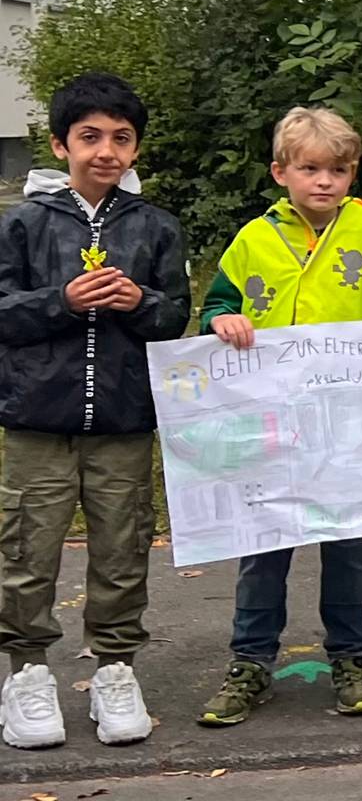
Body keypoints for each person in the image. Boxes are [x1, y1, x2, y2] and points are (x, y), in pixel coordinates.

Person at [193, 107, 362, 727]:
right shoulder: (253, 239)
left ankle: (351, 658)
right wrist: (220, 321)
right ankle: (250, 661)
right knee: (264, 548)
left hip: (347, 424)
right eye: (310, 169)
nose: (325, 181)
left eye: (338, 169)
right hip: (271, 424)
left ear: (352, 172)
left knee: (348, 545)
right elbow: (217, 306)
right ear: (282, 172)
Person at [0, 73, 190, 750]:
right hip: (36, 422)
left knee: (121, 552)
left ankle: (115, 669)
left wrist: (137, 302)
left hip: (122, 424)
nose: (106, 151)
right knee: (27, 552)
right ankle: (25, 674)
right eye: (90, 137)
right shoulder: (21, 225)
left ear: (136, 148)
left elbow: (174, 318)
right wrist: (64, 301)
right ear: (60, 144)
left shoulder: (157, 228)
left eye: (121, 138)